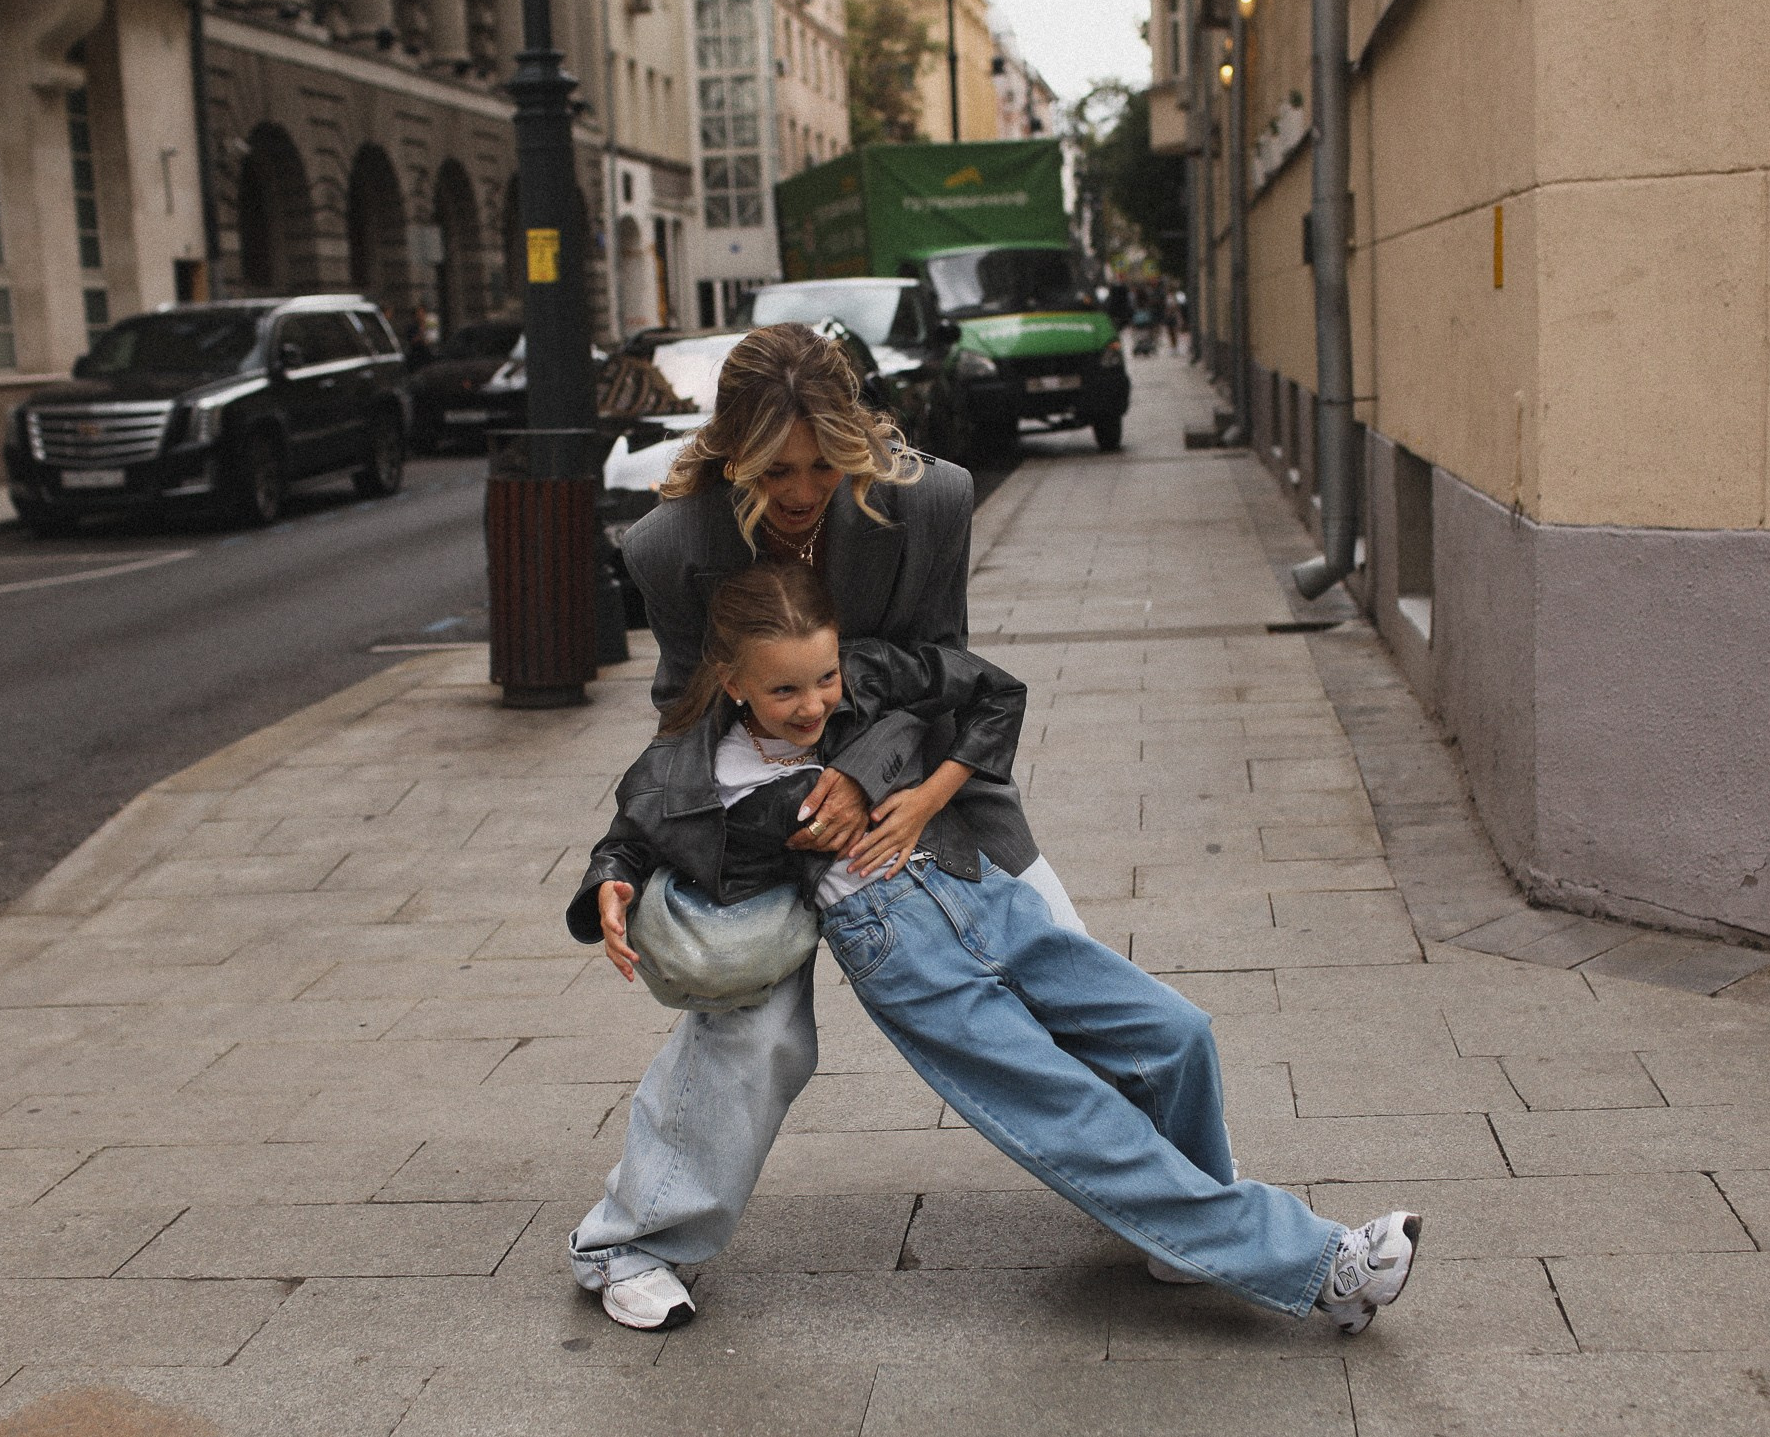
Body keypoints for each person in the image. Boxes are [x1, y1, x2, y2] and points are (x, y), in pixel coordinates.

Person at [569, 564, 1423, 1332]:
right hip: (900, 952)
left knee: (1176, 1034)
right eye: (785, 689)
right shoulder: (691, 767)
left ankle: (1185, 1238)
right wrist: (612, 883)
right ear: (731, 681)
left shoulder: (865, 676)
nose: (815, 702)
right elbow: (631, 837)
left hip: (979, 886)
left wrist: (920, 794)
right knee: (1073, 1116)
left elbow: (992, 693)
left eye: (824, 677)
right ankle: (1325, 1266)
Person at [565, 322, 1088, 1327]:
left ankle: (1180, 1190)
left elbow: (946, 673)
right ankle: (627, 1243)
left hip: (912, 783)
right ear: (731, 451)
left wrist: (860, 772)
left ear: (856, 436)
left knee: (1054, 958)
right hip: (757, 810)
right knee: (753, 1026)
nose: (800, 491)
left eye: (820, 463)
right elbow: (683, 726)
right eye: (773, 468)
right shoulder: (672, 545)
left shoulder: (930, 499)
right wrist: (621, 859)